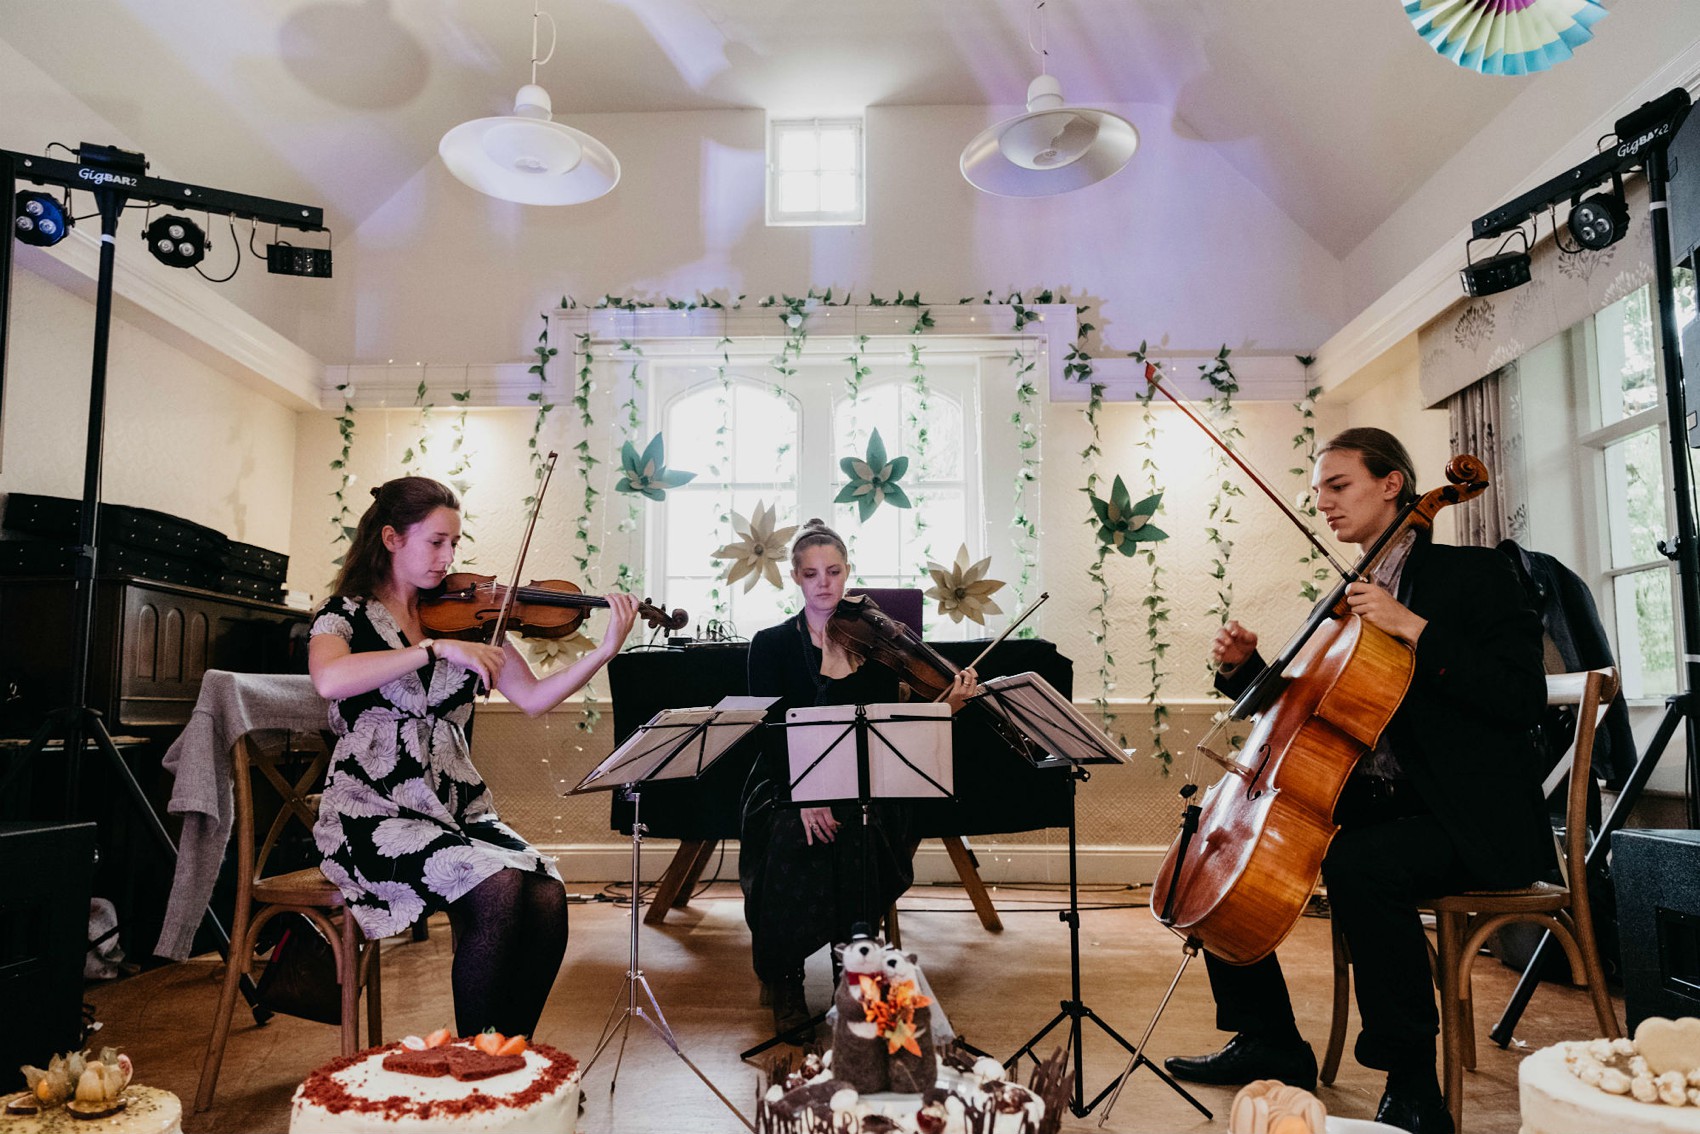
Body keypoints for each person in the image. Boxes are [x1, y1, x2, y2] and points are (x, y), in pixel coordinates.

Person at [1162, 429, 1548, 1134]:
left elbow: (1520, 698)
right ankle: (1269, 1038)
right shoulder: (1352, 594)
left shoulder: (1474, 575)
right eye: (1318, 492)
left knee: (1359, 863)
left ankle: (1411, 1082)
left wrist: (1414, 629)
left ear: (1393, 483)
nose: (1324, 504)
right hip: (1377, 804)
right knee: (1220, 850)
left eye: (1338, 486)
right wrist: (1245, 672)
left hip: (1463, 815)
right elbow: (1312, 712)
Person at [307, 475, 638, 1038]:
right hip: (373, 809)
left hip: (453, 805)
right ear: (391, 538)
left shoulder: (468, 614)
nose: (448, 558)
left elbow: (533, 697)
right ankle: (475, 1068)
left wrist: (606, 650)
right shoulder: (345, 615)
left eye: (454, 544)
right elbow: (328, 678)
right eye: (436, 542)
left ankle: (508, 1056)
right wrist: (431, 650)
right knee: (498, 887)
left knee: (545, 892)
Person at [740, 519, 977, 1038]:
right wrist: (805, 796)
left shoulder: (872, 644)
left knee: (862, 829)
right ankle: (785, 977)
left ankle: (856, 968)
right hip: (787, 781)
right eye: (811, 573)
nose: (823, 583)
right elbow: (770, 734)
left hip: (864, 779)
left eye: (833, 571)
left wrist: (949, 707)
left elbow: (895, 730)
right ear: (796, 579)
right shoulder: (772, 644)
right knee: (789, 833)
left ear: (847, 573)